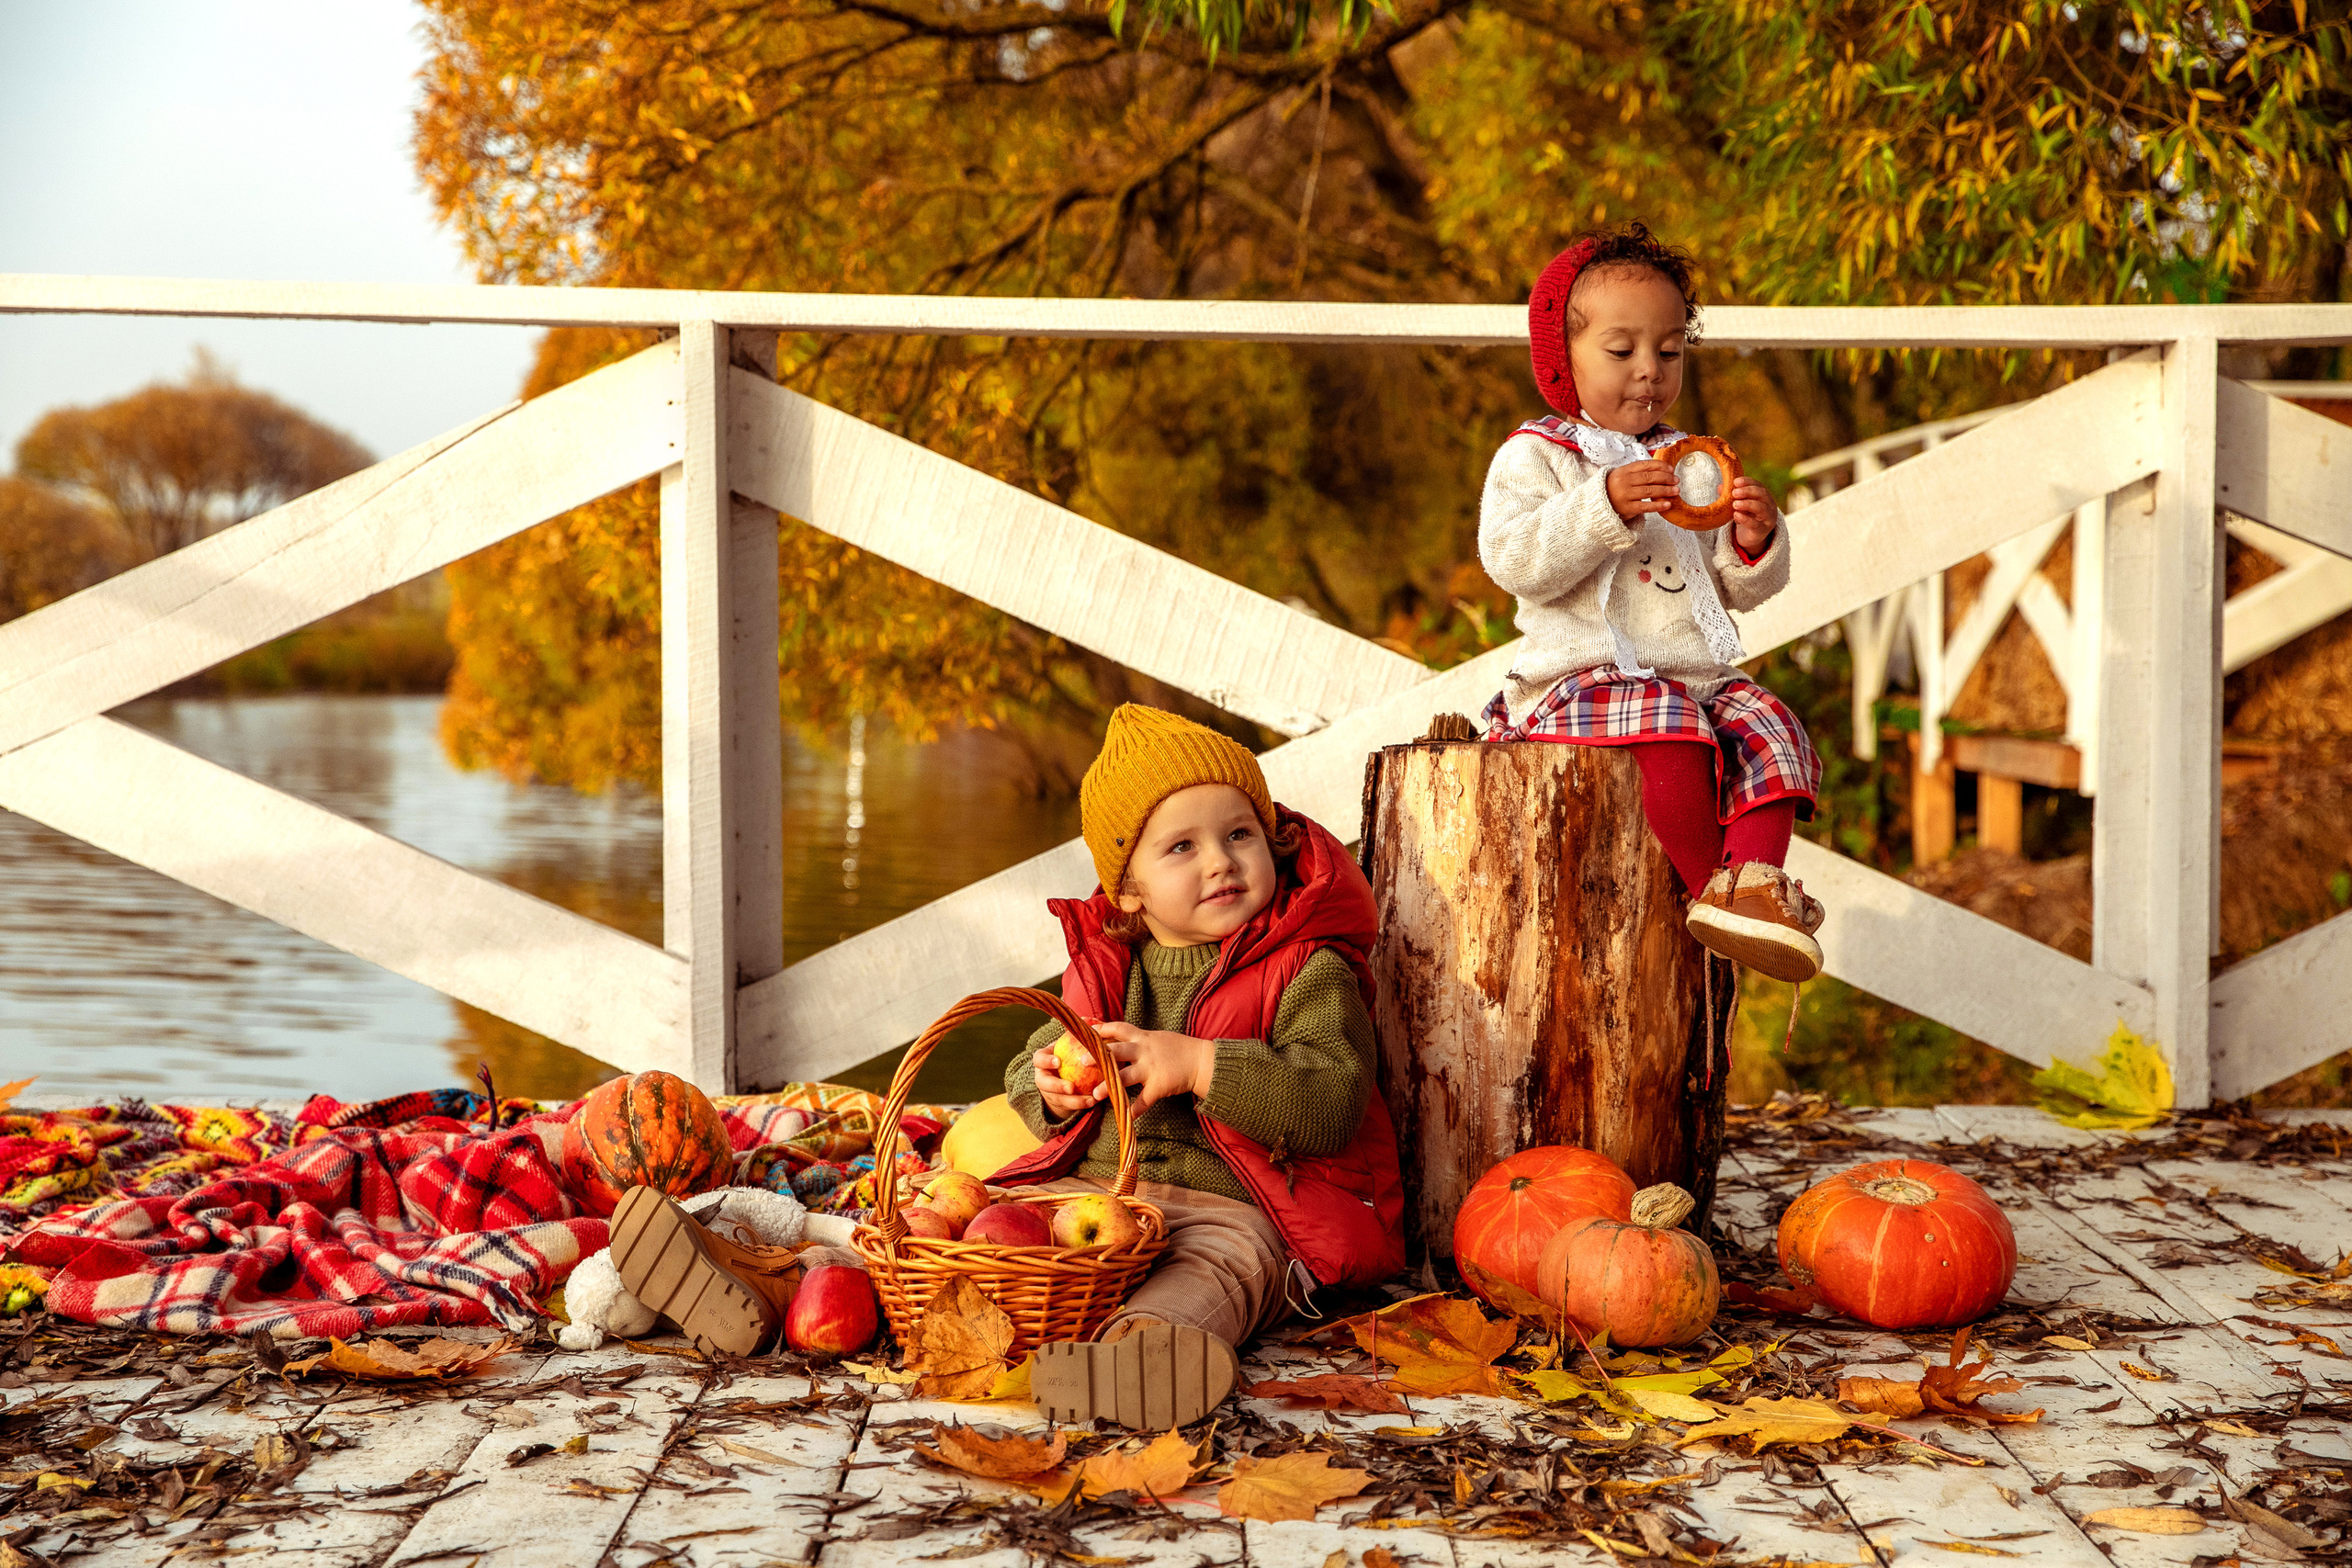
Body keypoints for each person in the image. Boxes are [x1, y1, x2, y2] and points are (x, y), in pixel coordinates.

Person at [991, 703, 1405, 1429]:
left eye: (1239, 832)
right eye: (1181, 846)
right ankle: (900, 1295)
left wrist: (1201, 1065)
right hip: (1100, 1192)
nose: (1220, 859)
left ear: (1272, 844)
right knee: (991, 1227)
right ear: (1128, 888)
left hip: (1247, 1208)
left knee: (1214, 1275)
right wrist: (1048, 1089)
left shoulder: (1308, 965)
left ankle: (1146, 1355)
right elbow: (1035, 1058)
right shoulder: (1107, 965)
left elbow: (1334, 1100)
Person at [1479, 222, 1826, 981]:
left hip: (1698, 673)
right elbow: (1514, 560)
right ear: (1561, 361)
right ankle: (1712, 887)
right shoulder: (1536, 457)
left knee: (1774, 730)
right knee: (1667, 722)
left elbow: (1735, 591)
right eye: (1621, 350)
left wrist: (1753, 541)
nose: (1649, 372)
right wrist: (1600, 504)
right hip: (1585, 678)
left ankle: (1753, 886)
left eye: (1669, 352)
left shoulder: (1693, 464)